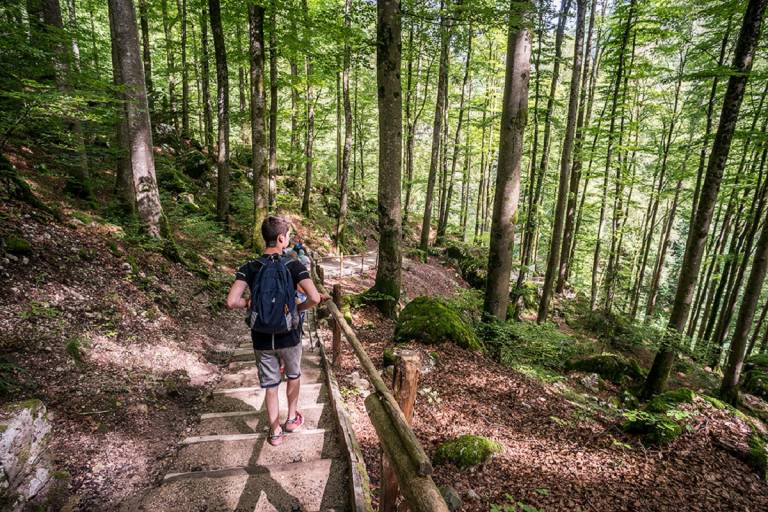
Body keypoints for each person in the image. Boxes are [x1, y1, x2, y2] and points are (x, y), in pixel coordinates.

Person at [226, 216, 324, 446]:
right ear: (281, 238)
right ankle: (291, 418)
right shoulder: (293, 265)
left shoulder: (249, 267)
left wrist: (249, 304)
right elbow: (315, 297)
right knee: (293, 375)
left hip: (261, 336)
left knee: (270, 385)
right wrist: (298, 309)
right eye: (288, 236)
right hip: (289, 334)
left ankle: (275, 431)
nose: (288, 240)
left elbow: (231, 301)